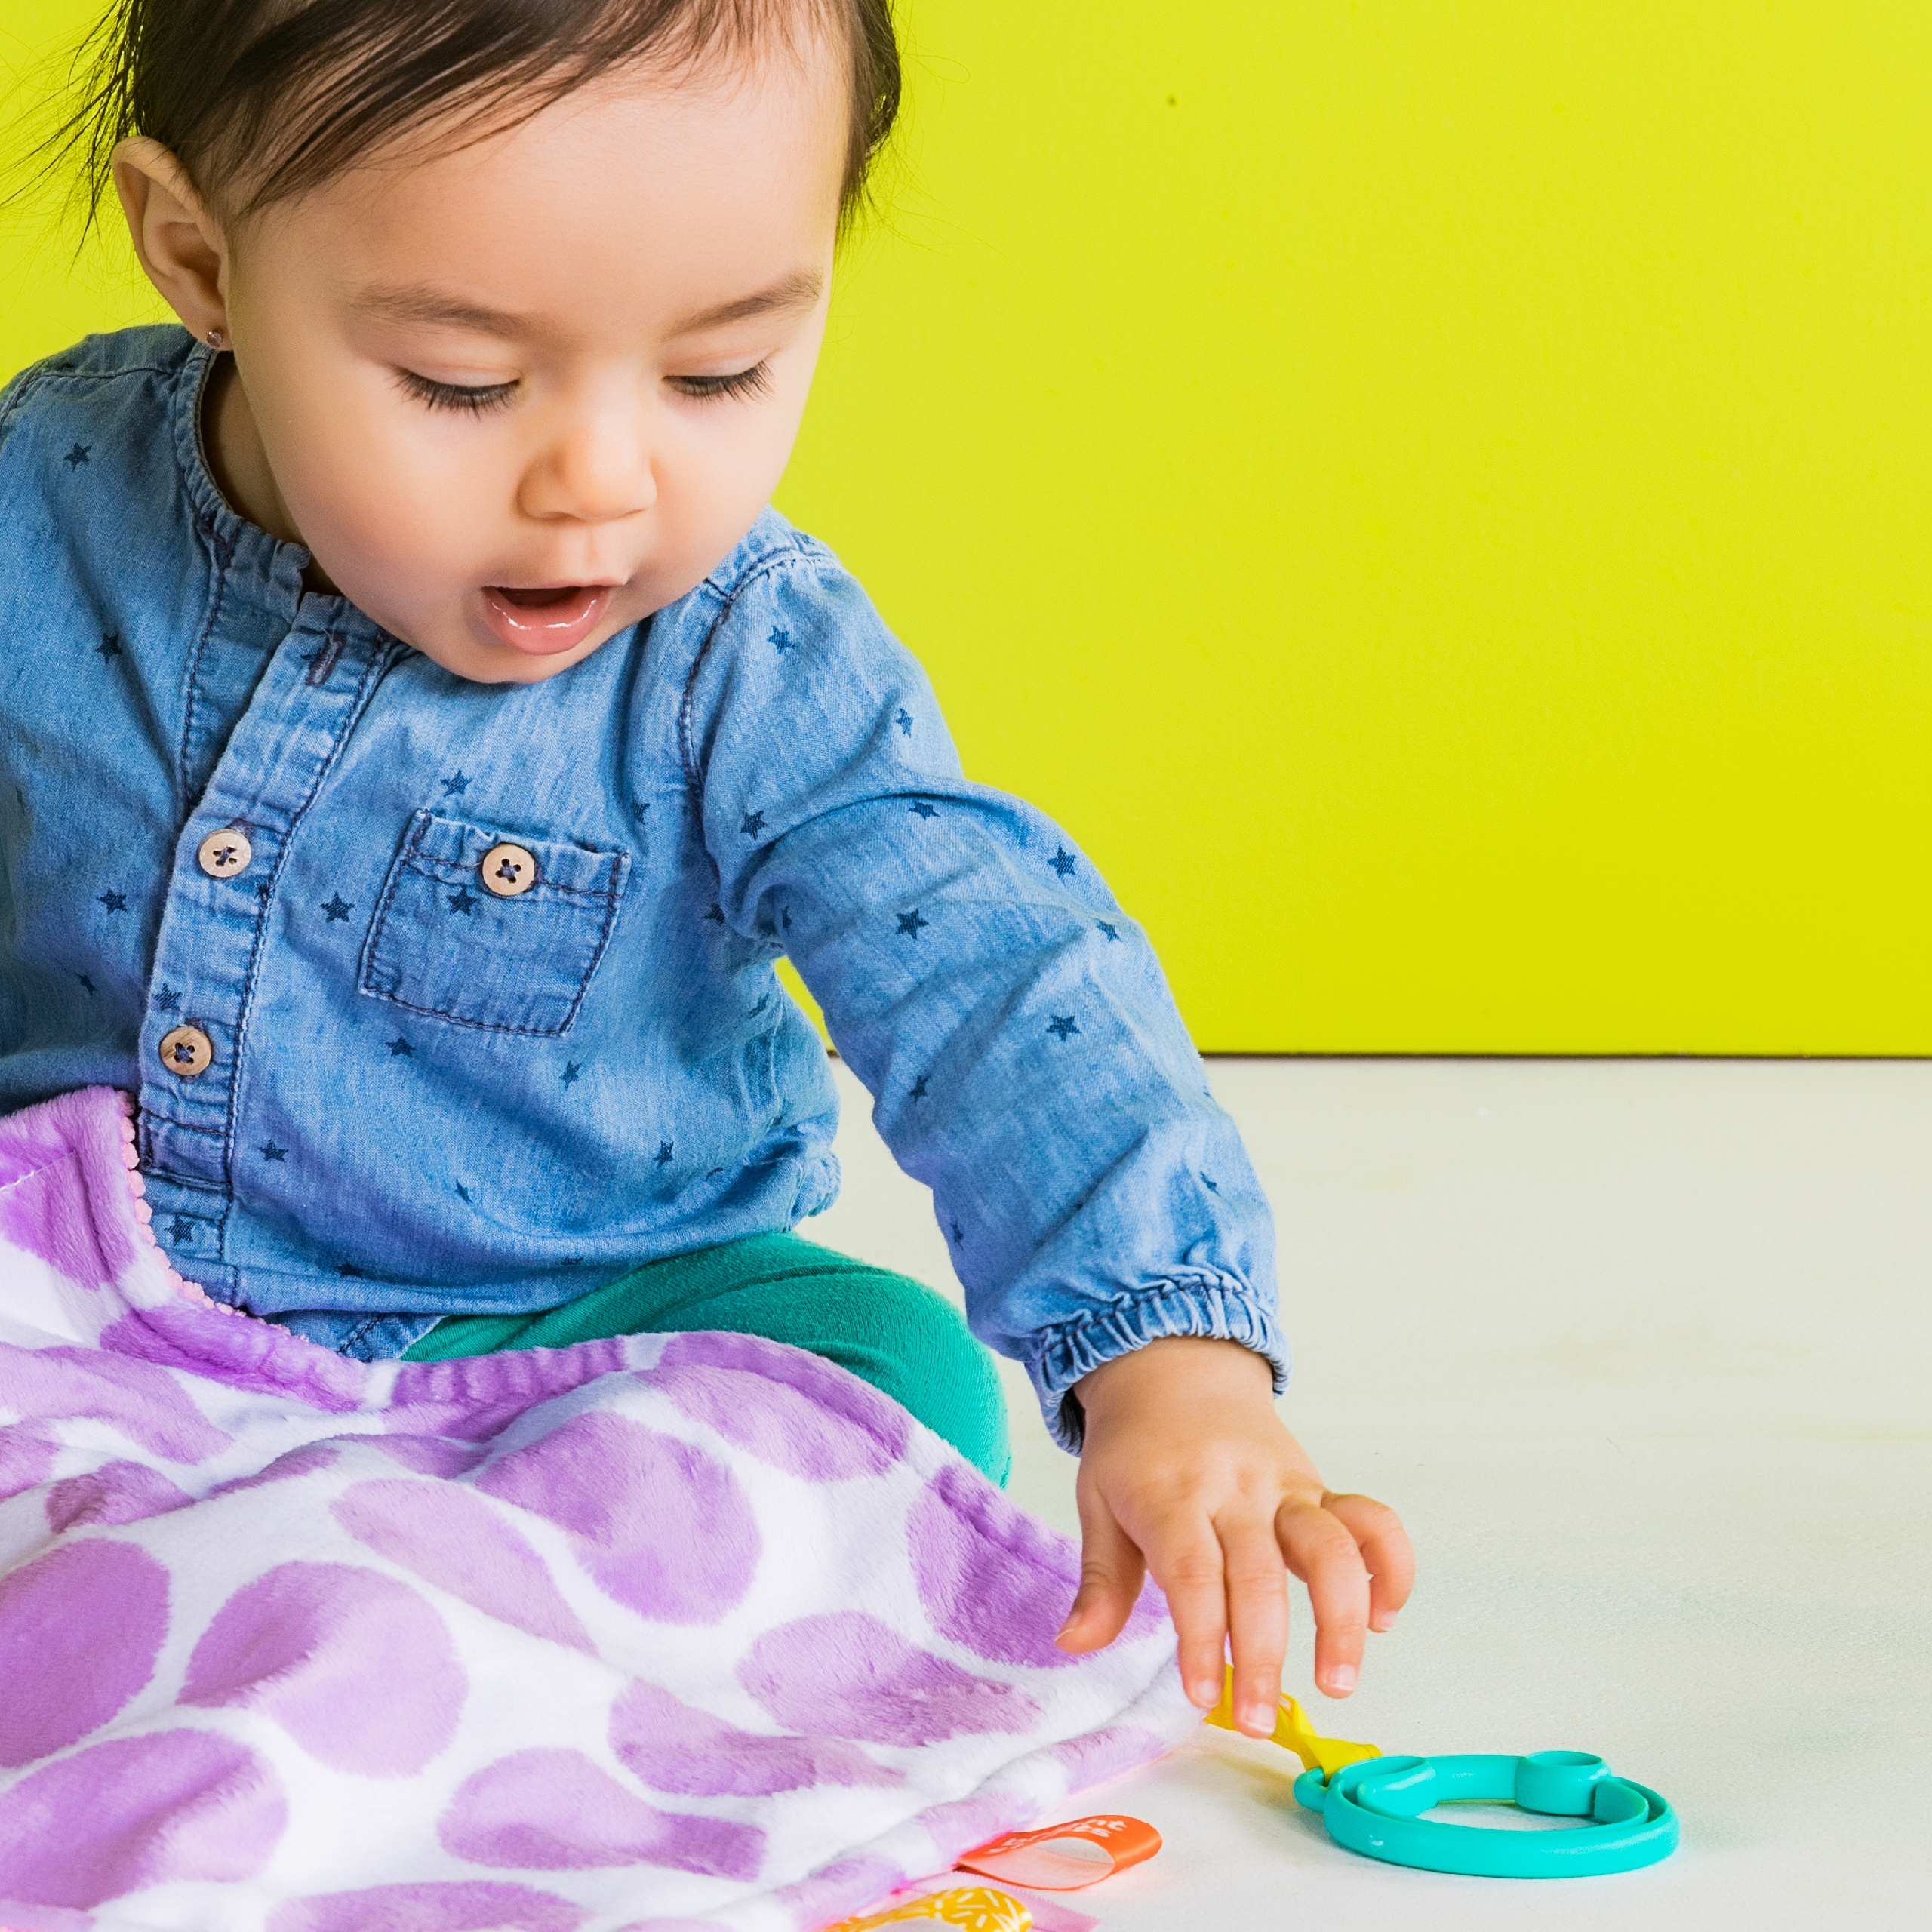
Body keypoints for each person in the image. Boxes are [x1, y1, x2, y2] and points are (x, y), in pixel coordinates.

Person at [0, 0, 1411, 1740]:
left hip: (592, 1325)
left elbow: (990, 974)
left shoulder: (745, 661)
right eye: (460, 380)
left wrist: (1167, 1363)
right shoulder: (38, 495)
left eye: (716, 372)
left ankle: (398, 1608)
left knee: (881, 1385)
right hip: (70, 1289)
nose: (599, 478)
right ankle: (283, 1603)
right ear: (200, 256)